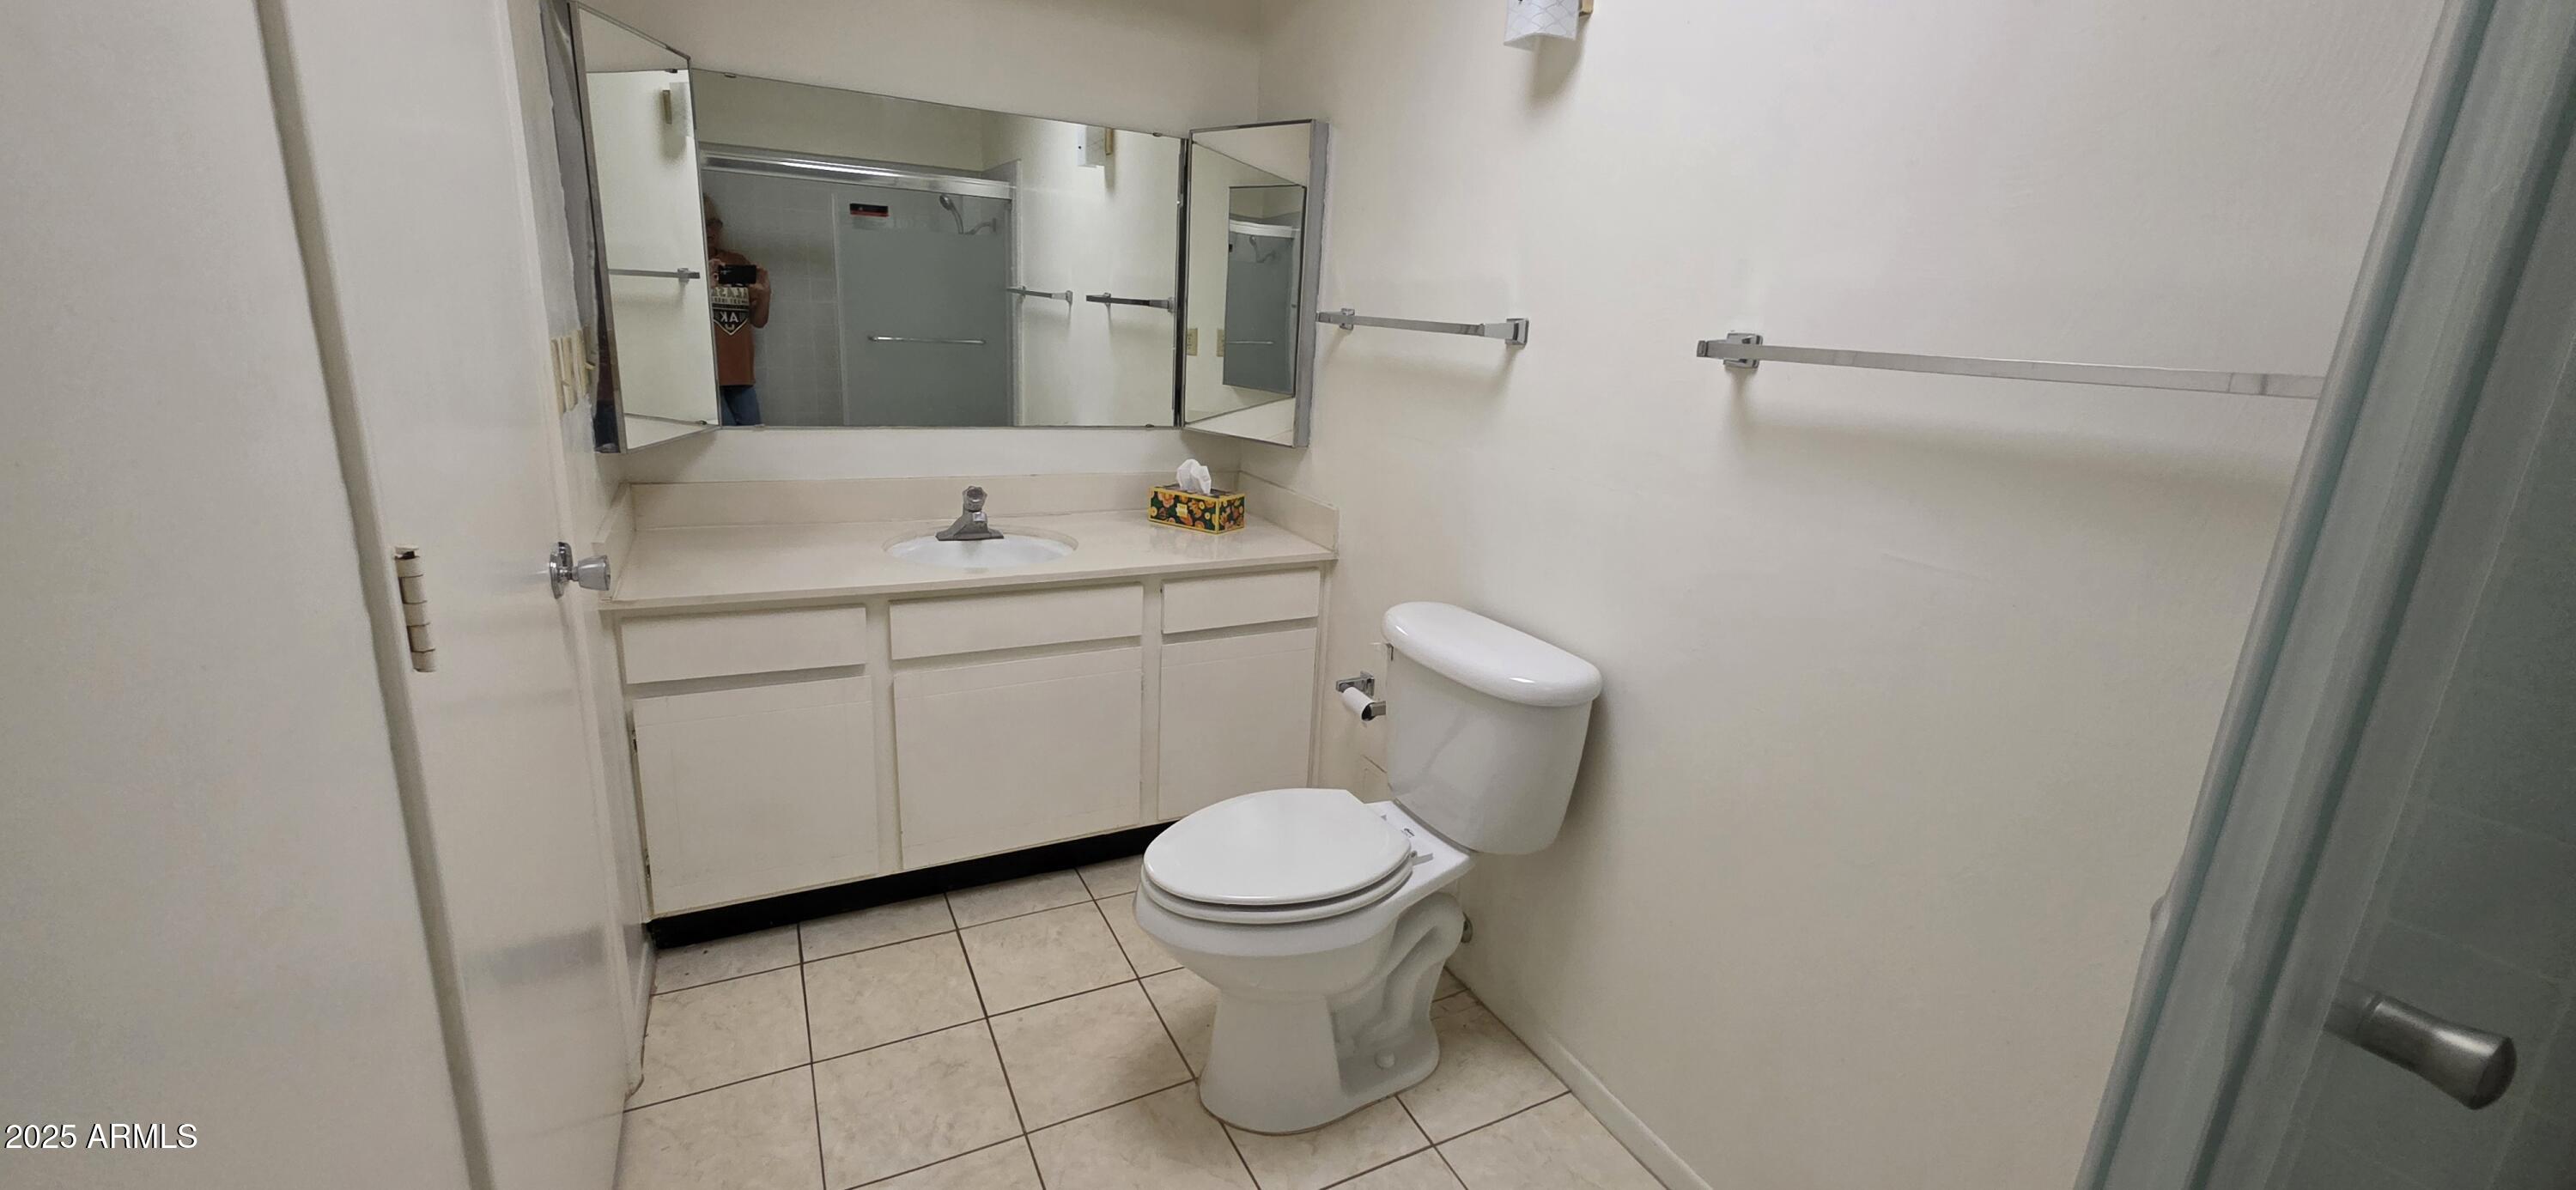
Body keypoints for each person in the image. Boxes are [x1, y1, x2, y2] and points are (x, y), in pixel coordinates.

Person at [703, 198, 770, 425]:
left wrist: (765, 295)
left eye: (715, 223)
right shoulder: (688, 268)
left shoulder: (736, 262)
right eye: (704, 223)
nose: (710, 230)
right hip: (705, 373)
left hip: (741, 373)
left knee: (753, 439)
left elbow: (758, 321)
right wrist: (705, 287)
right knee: (725, 445)